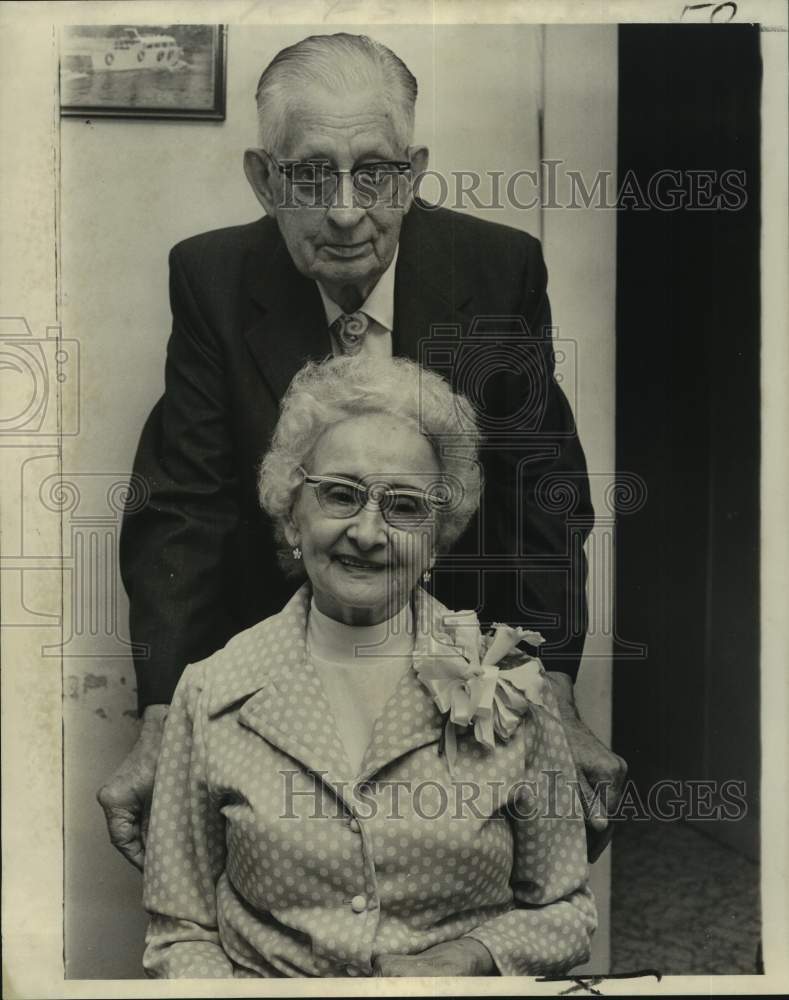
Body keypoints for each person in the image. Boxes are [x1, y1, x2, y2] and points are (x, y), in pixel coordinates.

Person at [99, 32, 626, 871]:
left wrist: (553, 688)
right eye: (310, 175)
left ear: (413, 174)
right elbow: (181, 511)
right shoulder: (212, 278)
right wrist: (163, 716)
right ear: (263, 178)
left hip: (458, 678)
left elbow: (541, 497)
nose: (346, 210)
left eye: (375, 173)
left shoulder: (499, 271)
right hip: (275, 678)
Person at [142, 355, 596, 978]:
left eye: (405, 507)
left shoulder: (512, 682)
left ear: (437, 538)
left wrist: (468, 959)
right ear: (291, 515)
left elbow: (566, 909)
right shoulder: (210, 690)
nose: (367, 532)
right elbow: (180, 930)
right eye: (340, 495)